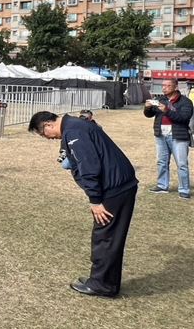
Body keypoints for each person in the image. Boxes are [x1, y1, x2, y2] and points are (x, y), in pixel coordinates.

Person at [29, 111, 138, 297]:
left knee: (105, 238)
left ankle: (100, 284)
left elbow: (89, 166)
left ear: (48, 125)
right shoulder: (76, 126)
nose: (47, 139)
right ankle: (107, 283)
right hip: (120, 185)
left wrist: (95, 200)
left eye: (43, 135)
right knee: (111, 238)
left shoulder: (73, 132)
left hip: (113, 189)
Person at [144, 78, 192, 199]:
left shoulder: (185, 102)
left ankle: (184, 189)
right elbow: (149, 115)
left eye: (167, 85)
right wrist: (148, 108)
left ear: (176, 87)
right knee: (162, 162)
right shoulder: (161, 99)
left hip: (178, 135)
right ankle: (162, 185)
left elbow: (184, 118)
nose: (164, 88)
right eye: (163, 85)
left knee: (181, 164)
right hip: (161, 135)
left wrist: (167, 111)